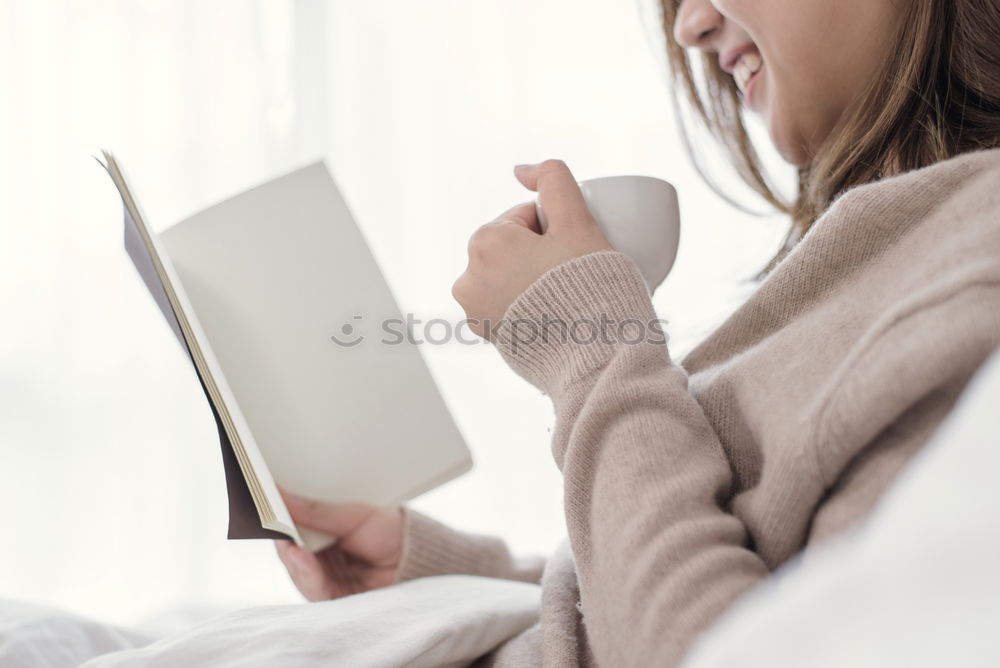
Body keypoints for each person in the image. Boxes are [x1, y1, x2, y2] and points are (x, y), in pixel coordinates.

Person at [275, 0, 1000, 665]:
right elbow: (757, 595)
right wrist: (447, 572)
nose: (688, 25)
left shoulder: (975, 255)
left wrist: (590, 350)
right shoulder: (903, 245)